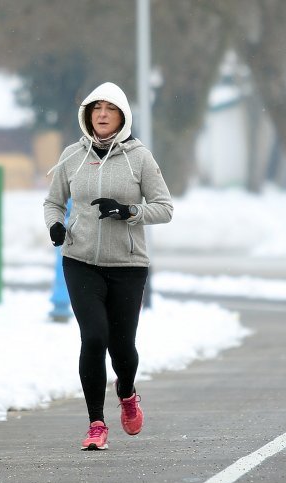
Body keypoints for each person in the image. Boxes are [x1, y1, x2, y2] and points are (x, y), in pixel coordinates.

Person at [44, 82, 173, 450]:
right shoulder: (72, 156)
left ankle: (128, 392)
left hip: (128, 265)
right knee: (94, 337)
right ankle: (96, 423)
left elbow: (164, 208)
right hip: (80, 260)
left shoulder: (140, 158)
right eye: (96, 108)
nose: (101, 114)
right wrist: (55, 224)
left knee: (122, 347)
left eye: (109, 108)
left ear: (122, 116)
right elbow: (52, 202)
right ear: (87, 114)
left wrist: (128, 211)